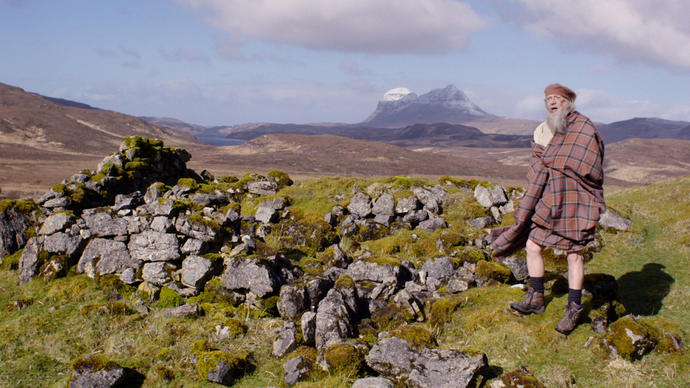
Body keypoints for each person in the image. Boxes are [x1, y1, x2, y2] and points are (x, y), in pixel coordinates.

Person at [490, 83, 606, 334]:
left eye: (558, 98)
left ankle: (574, 308)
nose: (552, 102)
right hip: (550, 199)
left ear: (569, 102)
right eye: (548, 99)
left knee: (574, 254)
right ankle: (536, 298)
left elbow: (591, 165)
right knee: (533, 245)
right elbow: (537, 166)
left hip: (575, 200)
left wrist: (556, 162)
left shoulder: (584, 127)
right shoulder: (542, 131)